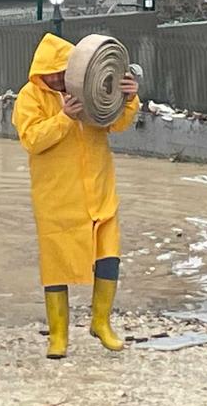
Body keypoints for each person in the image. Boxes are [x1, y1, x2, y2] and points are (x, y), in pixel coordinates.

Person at [12, 33, 140, 359]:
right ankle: (58, 336)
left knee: (108, 256)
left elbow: (117, 124)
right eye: (51, 74)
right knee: (57, 266)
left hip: (99, 190)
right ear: (40, 73)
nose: (58, 79)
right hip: (57, 199)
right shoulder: (30, 98)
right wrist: (64, 118)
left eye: (63, 72)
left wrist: (128, 100)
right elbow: (32, 139)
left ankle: (101, 322)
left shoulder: (87, 90)